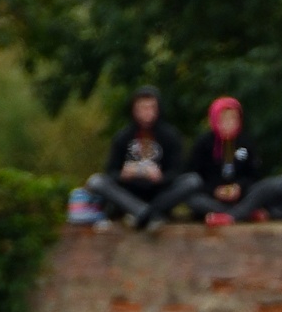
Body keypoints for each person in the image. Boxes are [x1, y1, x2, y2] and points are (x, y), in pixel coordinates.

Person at [85, 87, 201, 230]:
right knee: (96, 181)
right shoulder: (123, 137)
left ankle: (144, 214)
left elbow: (178, 171)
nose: (147, 112)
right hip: (130, 193)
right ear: (134, 110)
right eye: (143, 108)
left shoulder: (170, 136)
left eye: (151, 107)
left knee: (193, 180)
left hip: (160, 193)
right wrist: (123, 174)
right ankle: (147, 214)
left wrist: (160, 177)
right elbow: (110, 171)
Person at [184, 97, 282, 226]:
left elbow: (254, 175)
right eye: (224, 119)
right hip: (213, 197)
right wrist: (215, 190)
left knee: (271, 186)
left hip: (242, 196)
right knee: (193, 199)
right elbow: (196, 175)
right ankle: (243, 213)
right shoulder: (204, 144)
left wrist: (239, 187)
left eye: (233, 119)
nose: (229, 123)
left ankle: (232, 214)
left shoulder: (246, 142)